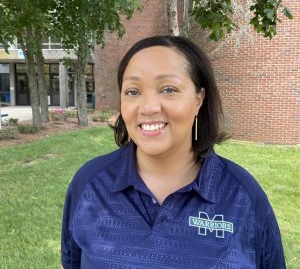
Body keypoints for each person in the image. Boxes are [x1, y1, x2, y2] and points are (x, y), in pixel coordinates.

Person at [61, 36, 286, 268]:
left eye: (168, 89)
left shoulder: (241, 195)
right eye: (132, 91)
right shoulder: (90, 184)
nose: (148, 107)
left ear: (199, 98)